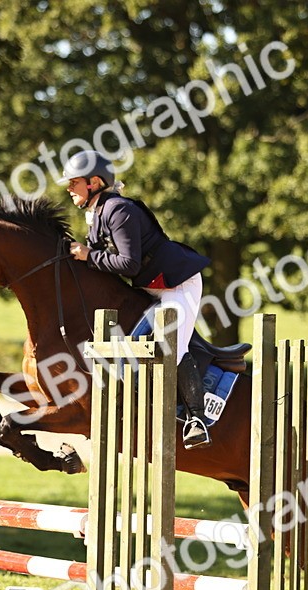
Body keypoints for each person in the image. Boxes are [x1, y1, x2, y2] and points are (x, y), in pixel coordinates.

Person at [59, 150, 212, 450]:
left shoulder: (118, 210)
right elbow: (97, 264)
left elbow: (127, 264)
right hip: (150, 288)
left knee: (170, 348)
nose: (69, 188)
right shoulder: (97, 214)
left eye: (74, 182)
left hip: (177, 286)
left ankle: (197, 420)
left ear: (93, 182)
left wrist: (88, 255)